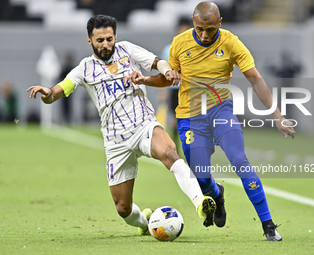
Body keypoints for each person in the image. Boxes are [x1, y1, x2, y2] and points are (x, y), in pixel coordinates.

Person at [27, 14, 217, 235]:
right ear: (90, 40)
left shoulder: (127, 50)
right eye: (100, 40)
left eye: (109, 38)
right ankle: (147, 224)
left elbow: (157, 62)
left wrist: (166, 71)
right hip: (115, 140)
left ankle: (200, 203)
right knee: (123, 208)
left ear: (115, 36)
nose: (106, 44)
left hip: (143, 125)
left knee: (170, 153)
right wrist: (47, 93)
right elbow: (57, 91)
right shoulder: (84, 68)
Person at [125, 2, 296, 241]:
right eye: (199, 29)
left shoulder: (231, 42)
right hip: (190, 119)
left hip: (221, 112)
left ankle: (268, 225)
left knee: (240, 161)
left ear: (220, 23)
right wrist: (146, 79)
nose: (204, 35)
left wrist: (277, 115)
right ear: (194, 23)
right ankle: (217, 194)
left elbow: (256, 79)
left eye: (210, 29)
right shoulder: (180, 43)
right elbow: (169, 79)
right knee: (202, 179)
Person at [160, 17, 192, 146]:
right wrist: (162, 92)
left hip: (191, 89)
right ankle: (177, 146)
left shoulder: (196, 49)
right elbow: (163, 72)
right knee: (176, 119)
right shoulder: (169, 49)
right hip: (175, 89)